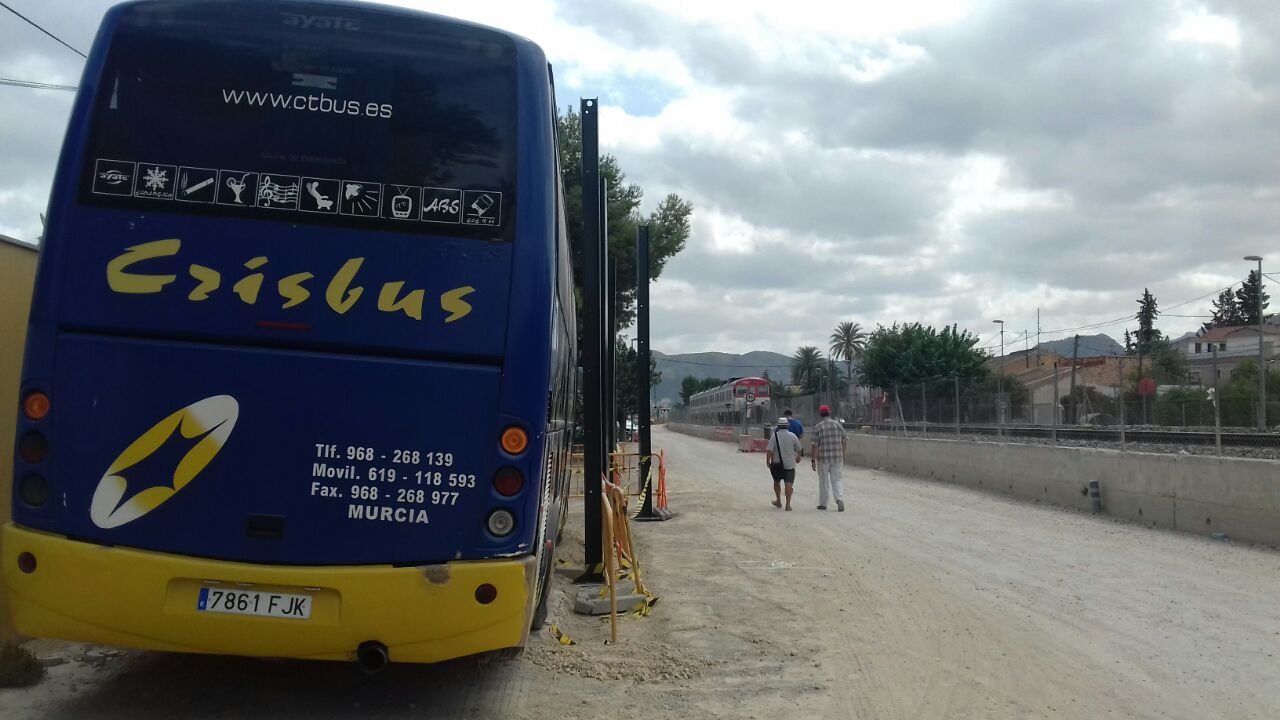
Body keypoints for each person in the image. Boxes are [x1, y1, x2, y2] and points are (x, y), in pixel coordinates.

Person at [809, 404, 848, 511]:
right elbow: (845, 440)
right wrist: (843, 455)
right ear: (829, 413)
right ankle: (839, 499)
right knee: (837, 479)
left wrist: (813, 459)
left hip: (823, 458)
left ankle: (823, 503)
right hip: (837, 457)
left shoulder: (818, 427)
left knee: (824, 481)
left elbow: (815, 444)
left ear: (821, 414)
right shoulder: (837, 425)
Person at [766, 416, 802, 510]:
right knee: (788, 483)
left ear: (778, 426)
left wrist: (768, 461)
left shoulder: (775, 435)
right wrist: (798, 457)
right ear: (787, 426)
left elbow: (769, 450)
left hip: (777, 463)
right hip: (790, 464)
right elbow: (799, 448)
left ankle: (778, 501)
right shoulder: (793, 436)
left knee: (776, 481)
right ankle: (788, 504)